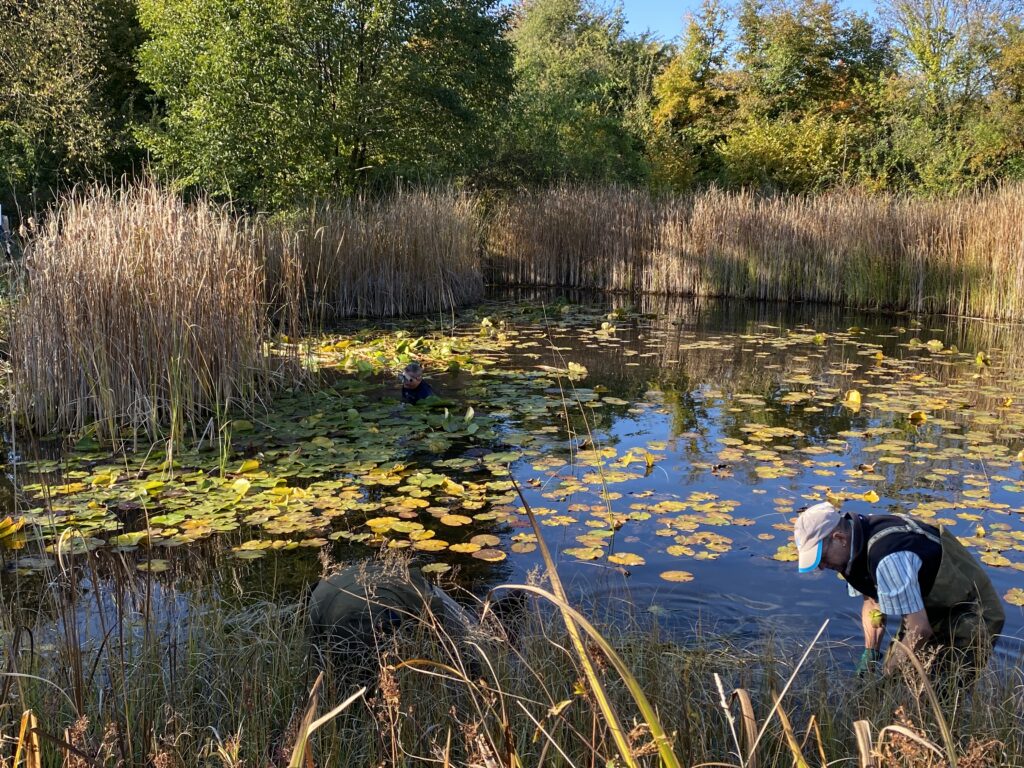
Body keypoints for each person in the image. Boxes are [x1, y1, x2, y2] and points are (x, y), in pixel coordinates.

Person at [793, 502, 1004, 678]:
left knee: (942, 693)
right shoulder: (851, 550)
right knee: (898, 684)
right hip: (924, 606)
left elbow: (920, 630)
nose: (821, 566)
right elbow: (872, 601)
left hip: (969, 610)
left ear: (839, 538)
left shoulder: (887, 557)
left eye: (821, 557)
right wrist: (871, 654)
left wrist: (888, 675)